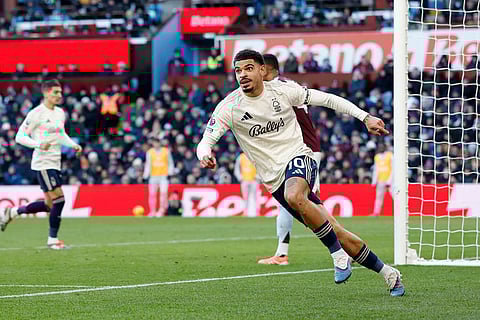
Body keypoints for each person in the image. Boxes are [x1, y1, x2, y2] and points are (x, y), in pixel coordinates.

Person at [197, 49, 404, 296]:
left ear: (263, 70)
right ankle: (388, 273)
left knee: (295, 195)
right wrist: (205, 154)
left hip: (300, 157)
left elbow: (327, 99)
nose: (242, 74)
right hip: (274, 181)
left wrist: (365, 116)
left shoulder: (284, 91)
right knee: (334, 229)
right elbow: (205, 141)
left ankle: (337, 255)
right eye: (238, 70)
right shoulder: (229, 107)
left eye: (249, 68)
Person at [0, 79, 82, 250]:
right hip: (43, 163)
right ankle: (53, 240)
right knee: (59, 200)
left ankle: (12, 212)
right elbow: (20, 136)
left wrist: (72, 144)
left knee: (49, 205)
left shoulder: (60, 113)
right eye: (56, 92)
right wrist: (38, 144)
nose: (59, 95)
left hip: (55, 162)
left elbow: (60, 135)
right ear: (46, 93)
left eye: (60, 92)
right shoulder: (36, 113)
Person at [143, 137, 175, 217]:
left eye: (157, 142)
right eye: (154, 142)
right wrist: (145, 175)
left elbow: (170, 163)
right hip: (153, 176)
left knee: (163, 194)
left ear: (160, 143)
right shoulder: (150, 152)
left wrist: (170, 173)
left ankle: (161, 210)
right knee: (152, 194)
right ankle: (152, 211)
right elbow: (148, 164)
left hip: (163, 176)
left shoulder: (166, 151)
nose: (156, 144)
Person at [371, 143, 393, 216]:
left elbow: (393, 168)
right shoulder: (377, 157)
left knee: (396, 197)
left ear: (385, 147)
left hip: (391, 181)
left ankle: (404, 212)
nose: (381, 148)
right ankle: (376, 212)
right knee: (378, 197)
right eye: (379, 147)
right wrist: (374, 181)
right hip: (380, 180)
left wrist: (389, 181)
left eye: (382, 147)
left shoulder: (390, 155)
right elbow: (376, 169)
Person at [234, 152, 259, 217]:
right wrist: (240, 177)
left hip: (254, 180)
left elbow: (259, 166)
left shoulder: (254, 155)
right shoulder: (240, 157)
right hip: (244, 180)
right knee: (245, 197)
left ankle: (257, 212)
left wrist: (257, 176)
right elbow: (237, 168)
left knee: (255, 197)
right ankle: (245, 212)